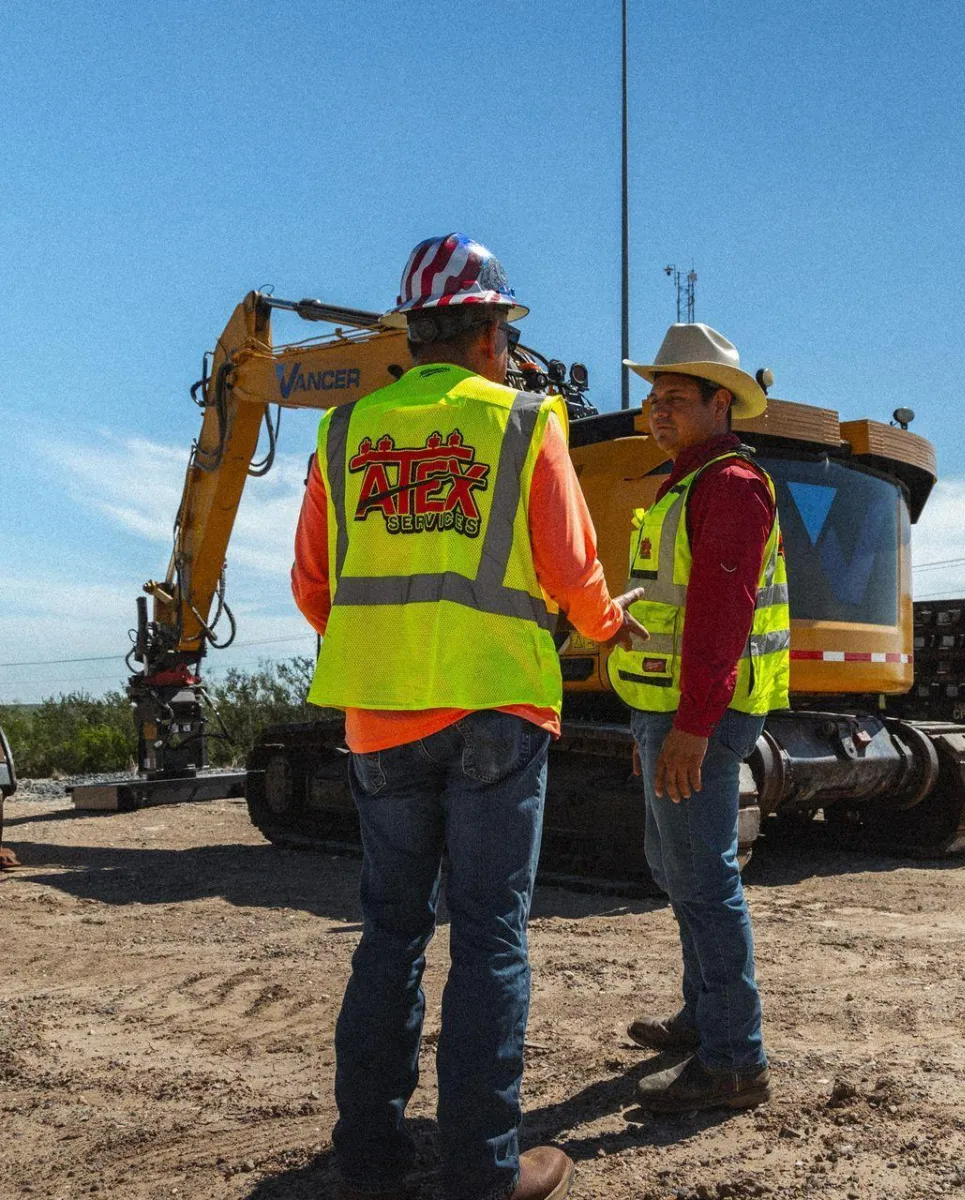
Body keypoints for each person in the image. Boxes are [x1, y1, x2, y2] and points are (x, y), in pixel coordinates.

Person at [291, 232, 646, 1200]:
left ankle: (367, 1156)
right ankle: (482, 1171)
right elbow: (575, 577)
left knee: (392, 933)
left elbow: (313, 587)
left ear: (416, 333)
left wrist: (387, 648)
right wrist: (611, 626)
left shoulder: (344, 430)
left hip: (381, 719)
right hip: (498, 710)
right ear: (491, 331)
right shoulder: (528, 424)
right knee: (490, 937)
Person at [608, 324, 790, 1114]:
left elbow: (720, 617)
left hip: (702, 716)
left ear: (722, 404)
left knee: (705, 880)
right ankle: (703, 1015)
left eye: (675, 399)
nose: (657, 410)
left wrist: (691, 725)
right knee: (675, 869)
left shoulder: (731, 485)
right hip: (671, 709)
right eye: (652, 398)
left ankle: (734, 1058)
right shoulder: (686, 480)